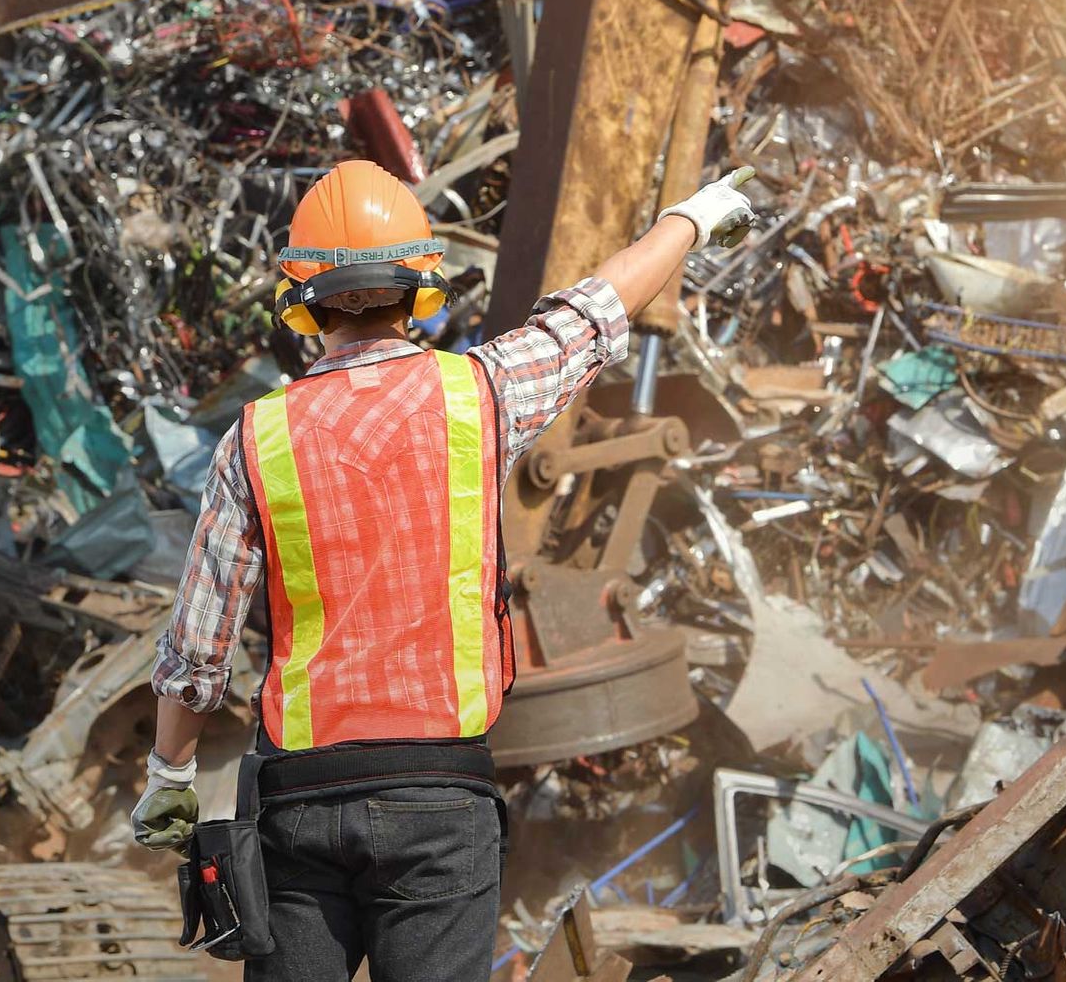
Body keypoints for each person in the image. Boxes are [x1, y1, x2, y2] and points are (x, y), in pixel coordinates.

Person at [132, 159, 754, 981]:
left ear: (301, 300)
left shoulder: (255, 440)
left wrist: (169, 773)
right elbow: (594, 312)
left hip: (297, 805)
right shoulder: (481, 395)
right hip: (440, 801)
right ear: (423, 289)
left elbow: (199, 650)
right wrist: (693, 218)